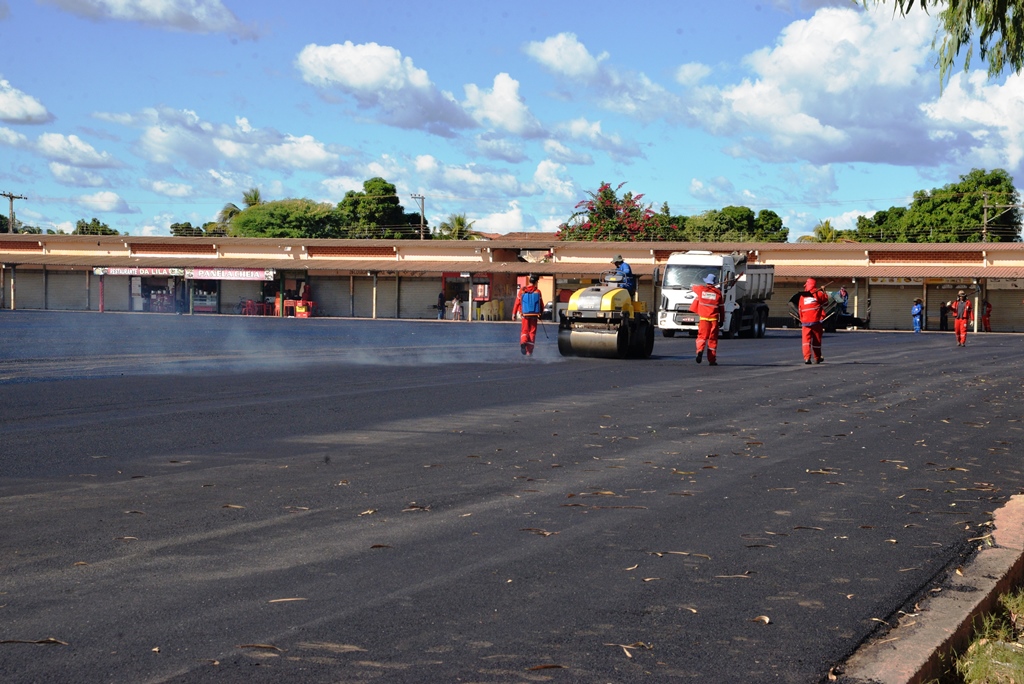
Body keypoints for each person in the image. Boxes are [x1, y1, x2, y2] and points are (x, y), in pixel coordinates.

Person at [790, 278, 830, 364]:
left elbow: (800, 309)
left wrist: (802, 319)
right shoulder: (818, 294)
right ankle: (817, 358)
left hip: (805, 322)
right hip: (816, 321)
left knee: (806, 341)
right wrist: (824, 291)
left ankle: (807, 358)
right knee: (816, 341)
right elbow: (826, 302)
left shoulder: (802, 296)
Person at [689, 273, 725, 366]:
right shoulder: (718, 293)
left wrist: (696, 287)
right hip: (714, 320)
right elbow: (721, 309)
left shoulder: (701, 289)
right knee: (712, 339)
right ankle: (712, 360)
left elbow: (693, 287)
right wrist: (722, 320)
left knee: (701, 337)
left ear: (707, 282)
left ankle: (700, 350)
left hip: (704, 319)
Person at [512, 274, 544, 356]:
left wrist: (514, 313)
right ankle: (529, 351)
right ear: (536, 282)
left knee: (524, 331)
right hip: (534, 315)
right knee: (532, 332)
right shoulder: (538, 291)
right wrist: (541, 313)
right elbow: (541, 304)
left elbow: (517, 303)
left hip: (525, 315)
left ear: (529, 281)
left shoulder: (522, 290)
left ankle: (523, 342)